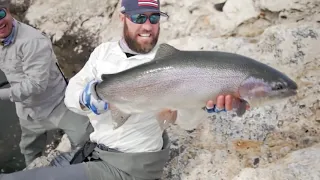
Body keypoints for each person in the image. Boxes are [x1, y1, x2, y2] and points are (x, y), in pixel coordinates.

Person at [0, 0, 247, 179]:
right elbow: (71, 95)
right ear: (123, 18)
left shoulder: (170, 65)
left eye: (154, 18)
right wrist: (88, 96)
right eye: (139, 18)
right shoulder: (103, 53)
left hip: (128, 167)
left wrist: (203, 105)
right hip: (93, 151)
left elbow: (185, 121)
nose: (148, 26)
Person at [0, 1, 93, 167]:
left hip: (56, 104)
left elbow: (36, 84)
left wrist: (3, 94)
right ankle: (32, 173)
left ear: (8, 11)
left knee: (86, 139)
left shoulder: (32, 41)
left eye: (0, 14)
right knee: (28, 150)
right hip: (27, 111)